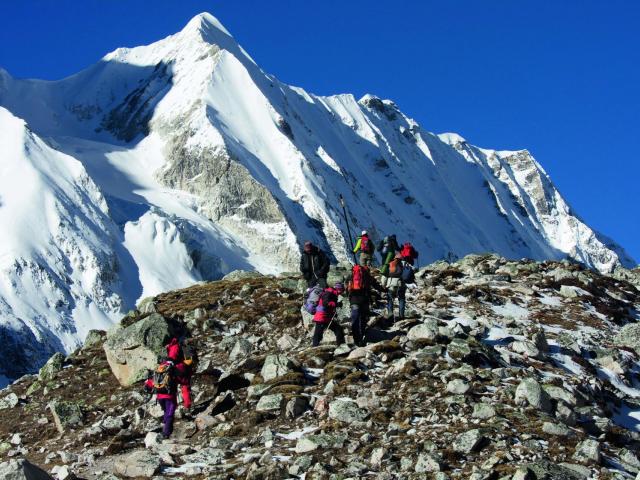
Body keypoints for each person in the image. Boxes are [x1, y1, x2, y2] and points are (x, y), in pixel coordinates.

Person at [144, 338, 194, 438]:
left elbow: (150, 381)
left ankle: (165, 427)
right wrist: (187, 402)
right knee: (170, 413)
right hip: (170, 395)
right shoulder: (174, 369)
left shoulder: (161, 367)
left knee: (166, 411)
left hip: (159, 395)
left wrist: (147, 387)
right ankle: (166, 433)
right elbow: (183, 383)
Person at [345, 264, 383, 347]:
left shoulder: (351, 275)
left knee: (355, 319)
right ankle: (361, 338)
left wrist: (349, 297)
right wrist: (384, 290)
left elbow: (346, 287)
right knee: (363, 319)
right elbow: (376, 286)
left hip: (354, 300)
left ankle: (356, 339)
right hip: (364, 301)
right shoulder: (367, 276)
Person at [311, 282, 346, 347]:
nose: (342, 292)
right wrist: (336, 304)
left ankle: (341, 345)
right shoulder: (329, 293)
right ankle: (315, 346)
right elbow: (325, 303)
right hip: (321, 316)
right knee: (318, 333)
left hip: (326, 317)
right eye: (342, 290)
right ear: (339, 289)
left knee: (338, 329)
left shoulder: (333, 293)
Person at [384, 254, 413, 321]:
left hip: (391, 284)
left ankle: (390, 314)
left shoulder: (390, 264)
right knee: (401, 299)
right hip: (401, 284)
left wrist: (384, 285)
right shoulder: (404, 264)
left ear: (394, 258)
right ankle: (401, 316)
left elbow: (384, 277)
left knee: (390, 300)